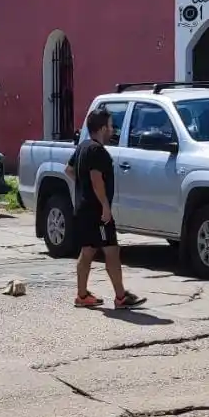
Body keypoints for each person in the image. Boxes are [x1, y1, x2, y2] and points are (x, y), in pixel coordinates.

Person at [66, 107, 146, 310]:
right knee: (111, 250)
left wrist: (83, 188)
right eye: (110, 126)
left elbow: (69, 170)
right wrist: (104, 206)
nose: (112, 130)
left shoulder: (83, 147)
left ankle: (82, 295)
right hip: (97, 212)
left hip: (83, 209)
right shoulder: (97, 151)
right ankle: (120, 297)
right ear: (102, 128)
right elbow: (96, 179)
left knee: (87, 250)